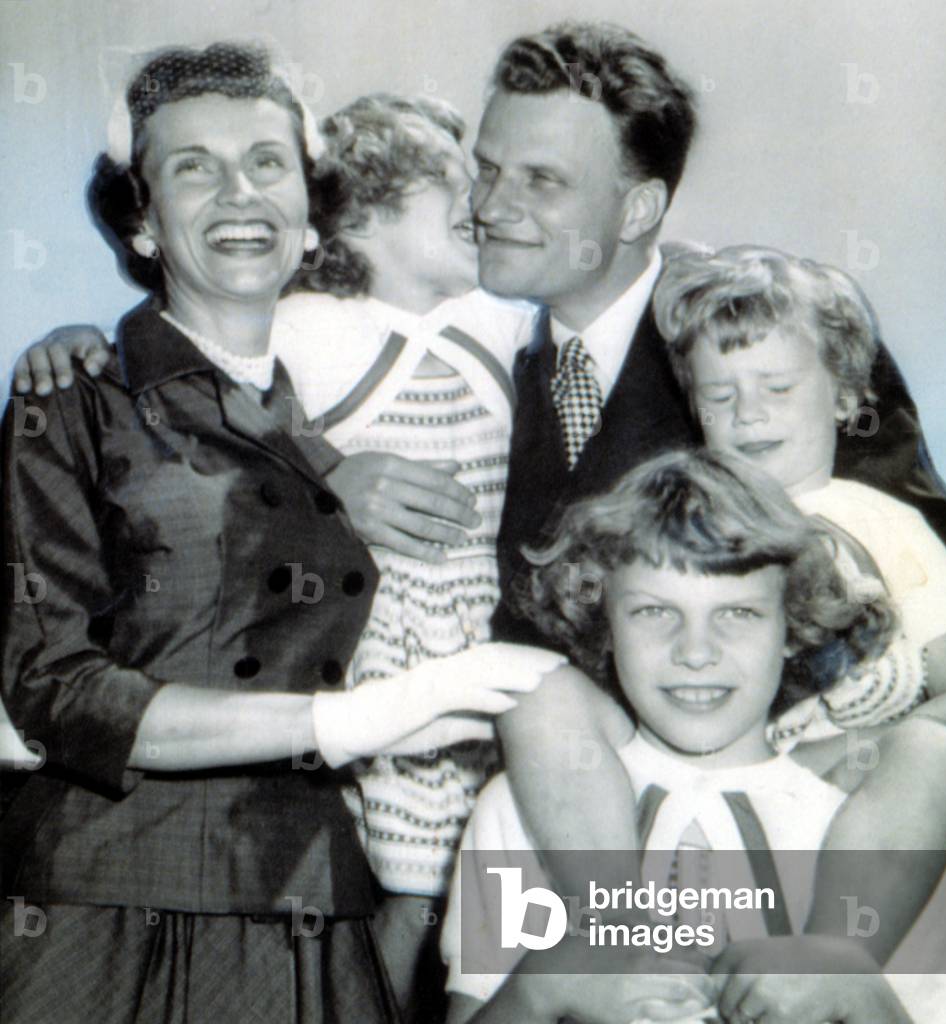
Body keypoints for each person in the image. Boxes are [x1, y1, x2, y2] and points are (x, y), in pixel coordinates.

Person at [0, 42, 561, 1023]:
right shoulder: (73, 400)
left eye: (266, 163)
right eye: (193, 167)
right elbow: (58, 690)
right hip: (111, 903)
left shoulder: (329, 406)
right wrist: (351, 721)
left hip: (309, 898)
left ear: (310, 216)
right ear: (141, 221)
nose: (239, 193)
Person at [440, 450, 946, 1024]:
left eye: (738, 613)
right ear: (605, 621)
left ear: (792, 625)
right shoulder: (526, 808)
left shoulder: (880, 830)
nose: (696, 652)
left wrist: (857, 992)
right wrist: (539, 990)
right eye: (654, 611)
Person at [272, 93, 535, 1018]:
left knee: (468, 874)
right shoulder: (310, 325)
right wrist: (321, 474)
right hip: (382, 636)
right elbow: (221, 425)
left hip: (480, 628)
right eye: (449, 185)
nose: (480, 205)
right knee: (404, 881)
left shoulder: (498, 315)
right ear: (361, 216)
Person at [653, 241, 946, 959]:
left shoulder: (887, 525)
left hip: (874, 801)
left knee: (935, 752)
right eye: (719, 396)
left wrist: (873, 748)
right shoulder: (674, 530)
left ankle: (829, 964)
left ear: (842, 396)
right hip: (729, 780)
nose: (748, 414)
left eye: (777, 388)